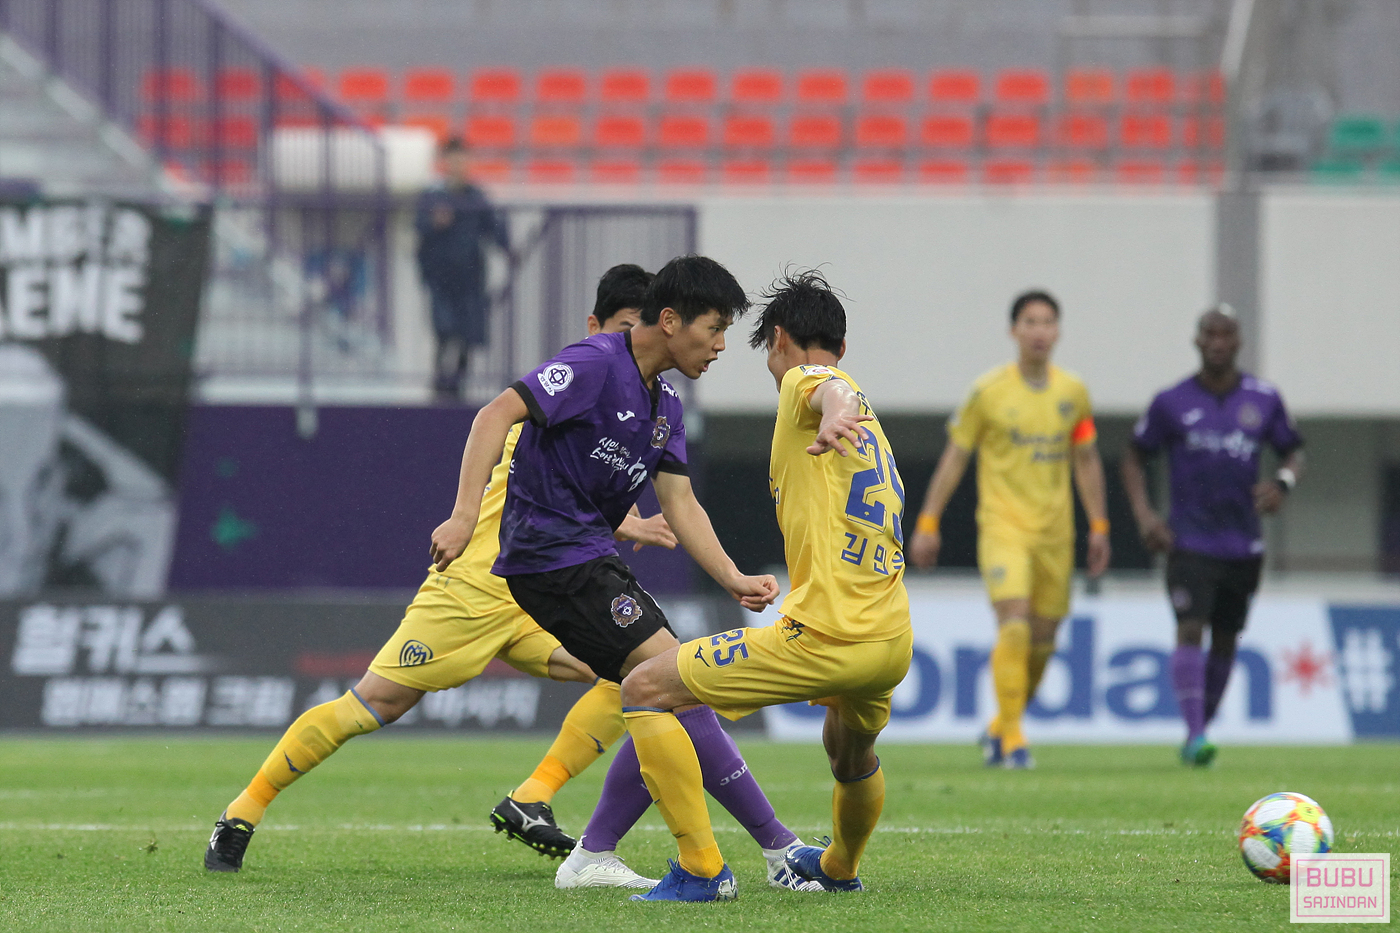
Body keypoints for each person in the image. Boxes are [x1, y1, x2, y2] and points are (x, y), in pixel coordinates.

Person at [203, 265, 672, 873]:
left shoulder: (632, 407)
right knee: (372, 705)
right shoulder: (568, 385)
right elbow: (512, 449)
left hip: (543, 591)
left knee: (637, 676)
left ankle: (532, 797)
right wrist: (462, 517)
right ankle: (241, 813)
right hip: (475, 588)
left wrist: (627, 522)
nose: (635, 342)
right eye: (625, 327)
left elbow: (575, 495)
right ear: (595, 326)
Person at [428, 255, 816, 898]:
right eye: (715, 329)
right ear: (671, 320)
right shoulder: (594, 363)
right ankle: (776, 849)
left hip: (588, 559)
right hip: (551, 560)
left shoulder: (667, 404)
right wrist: (465, 514)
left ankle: (596, 853)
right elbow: (494, 414)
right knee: (677, 683)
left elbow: (680, 502)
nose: (721, 346)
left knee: (656, 691)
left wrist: (731, 576)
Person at [616, 270, 913, 902]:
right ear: (843, 343)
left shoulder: (808, 382)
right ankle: (839, 869)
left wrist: (834, 409)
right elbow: (841, 390)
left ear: (778, 340)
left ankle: (701, 870)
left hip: (826, 634)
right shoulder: (875, 430)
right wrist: (843, 409)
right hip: (888, 640)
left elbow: (827, 388)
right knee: (849, 754)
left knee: (644, 688)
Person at [908, 290, 1110, 770]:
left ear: (1057, 331)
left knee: (1043, 641)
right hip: (1003, 527)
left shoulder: (1073, 393)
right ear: (1013, 330)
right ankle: (1014, 741)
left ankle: (1000, 723)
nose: (1039, 331)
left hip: (1055, 532)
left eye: (1047, 322)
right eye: (1030, 322)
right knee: (1014, 624)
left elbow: (1085, 459)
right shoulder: (988, 392)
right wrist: (928, 521)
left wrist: (1099, 525)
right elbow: (956, 457)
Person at [1121, 304, 1304, 767]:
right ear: (1197, 341)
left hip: (1244, 544)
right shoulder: (1172, 401)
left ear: (1238, 342)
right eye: (1210, 334)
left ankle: (1198, 732)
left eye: (1226, 335)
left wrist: (1283, 483)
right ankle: (1196, 733)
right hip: (1189, 541)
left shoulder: (1264, 398)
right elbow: (1134, 456)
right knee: (1190, 627)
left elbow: (1293, 452)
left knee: (1225, 638)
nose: (1218, 343)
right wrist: (1144, 515)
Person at [415, 136, 509, 400]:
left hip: (470, 279)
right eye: (453, 159)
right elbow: (419, 228)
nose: (458, 164)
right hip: (441, 279)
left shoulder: (476, 197)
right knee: (443, 332)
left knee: (468, 335)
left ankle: (458, 389)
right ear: (444, 162)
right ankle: (439, 387)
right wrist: (435, 223)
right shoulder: (432, 197)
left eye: (462, 159)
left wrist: (508, 247)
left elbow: (494, 228)